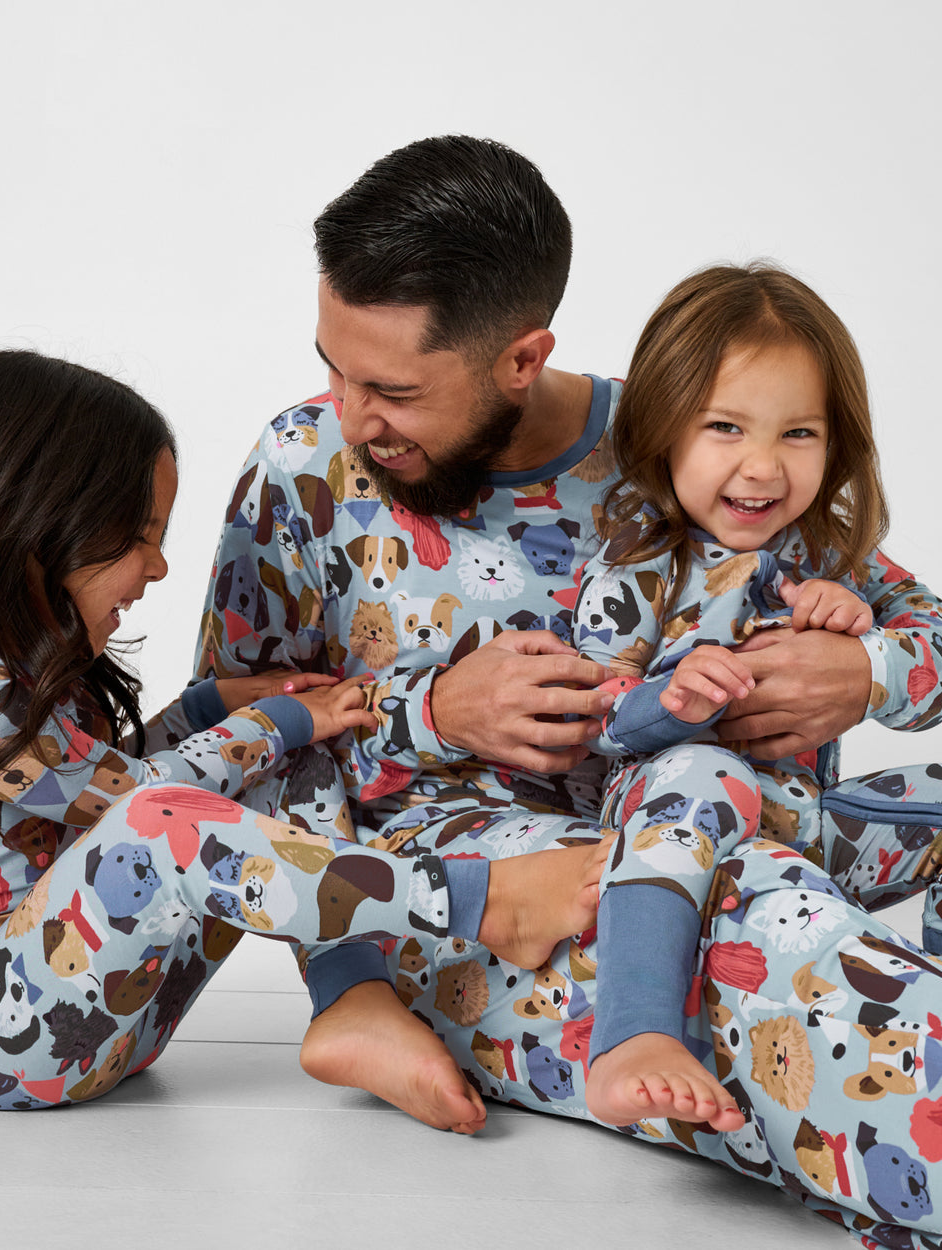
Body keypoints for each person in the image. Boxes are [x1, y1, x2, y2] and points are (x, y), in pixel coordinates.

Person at [195, 137, 942, 1243]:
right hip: (500, 898)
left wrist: (865, 671)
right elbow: (228, 728)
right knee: (784, 972)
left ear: (520, 355)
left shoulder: (688, 436)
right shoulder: (305, 464)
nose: (352, 417)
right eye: (334, 366)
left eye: (394, 389)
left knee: (784, 909)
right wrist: (432, 709)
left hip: (737, 836)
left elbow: (890, 603)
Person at [0, 347, 610, 1112]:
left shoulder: (29, 682)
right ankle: (482, 901)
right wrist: (271, 719)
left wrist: (212, 710)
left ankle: (351, 996)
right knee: (188, 801)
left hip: (109, 1004)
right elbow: (131, 811)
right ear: (27, 526)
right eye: (138, 535)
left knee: (281, 758)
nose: (159, 567)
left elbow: (94, 813)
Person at [571, 262, 942, 1130]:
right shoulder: (637, 567)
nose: (763, 466)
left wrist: (868, 648)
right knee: (700, 769)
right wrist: (673, 701)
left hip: (814, 830)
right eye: (726, 427)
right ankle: (634, 1033)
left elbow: (932, 647)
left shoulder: (840, 556)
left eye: (800, 433)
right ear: (665, 428)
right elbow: (597, 716)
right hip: (686, 838)